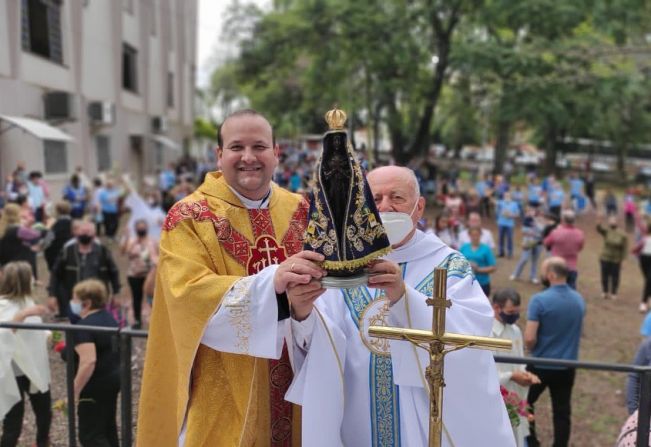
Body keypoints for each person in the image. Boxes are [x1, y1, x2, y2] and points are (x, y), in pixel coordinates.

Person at [286, 165, 515, 446]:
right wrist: (300, 311)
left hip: (421, 415)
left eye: (397, 198)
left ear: (419, 208)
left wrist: (404, 298)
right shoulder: (340, 265)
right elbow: (319, 337)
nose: (385, 207)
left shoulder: (448, 264)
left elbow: (470, 338)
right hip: (357, 413)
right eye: (376, 199)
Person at [137, 109, 324, 445]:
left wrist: (302, 310)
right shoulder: (189, 217)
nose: (248, 157)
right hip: (222, 389)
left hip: (297, 388)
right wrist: (275, 287)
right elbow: (188, 297)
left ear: (276, 154)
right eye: (237, 147)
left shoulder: (303, 211)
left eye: (260, 147)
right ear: (219, 155)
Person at [524, 257, 586, 447]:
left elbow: (529, 337)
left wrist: (531, 348)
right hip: (568, 366)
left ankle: (531, 441)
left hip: (540, 365)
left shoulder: (539, 300)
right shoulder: (579, 300)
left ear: (551, 274)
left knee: (524, 403)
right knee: (562, 411)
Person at [0, 261, 51, 447]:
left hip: (34, 368)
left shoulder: (29, 301)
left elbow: (30, 334)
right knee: (13, 422)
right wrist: (23, 315)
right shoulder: (3, 305)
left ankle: (42, 442)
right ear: (22, 281)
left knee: (45, 414)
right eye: (31, 277)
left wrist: (46, 334)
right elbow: (3, 335)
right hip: (12, 373)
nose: (34, 280)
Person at [70, 279, 120, 446]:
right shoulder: (108, 318)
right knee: (107, 427)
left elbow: (88, 361)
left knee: (90, 434)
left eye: (75, 299)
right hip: (112, 379)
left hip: (94, 385)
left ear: (87, 303)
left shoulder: (83, 326)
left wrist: (74, 391)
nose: (72, 303)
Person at [491, 288, 540, 447]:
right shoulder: (487, 333)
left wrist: (526, 376)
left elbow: (520, 362)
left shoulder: (515, 330)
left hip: (515, 396)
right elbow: (486, 371)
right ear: (496, 308)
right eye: (510, 311)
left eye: (517, 312)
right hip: (497, 398)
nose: (514, 316)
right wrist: (510, 376)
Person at [47, 221, 121, 320]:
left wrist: (116, 293)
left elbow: (113, 272)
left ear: (94, 234)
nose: (85, 235)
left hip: (97, 299)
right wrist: (52, 294)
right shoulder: (67, 251)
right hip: (74, 297)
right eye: (83, 232)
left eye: (88, 232)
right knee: (75, 324)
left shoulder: (103, 251)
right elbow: (55, 273)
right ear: (76, 233)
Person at [121, 219, 158, 328]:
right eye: (139, 227)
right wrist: (127, 237)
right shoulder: (132, 241)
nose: (141, 229)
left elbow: (158, 255)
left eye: (143, 227)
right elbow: (124, 252)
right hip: (134, 274)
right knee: (136, 297)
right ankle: (137, 320)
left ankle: (154, 319)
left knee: (152, 298)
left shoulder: (153, 241)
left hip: (150, 275)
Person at [543, 210, 584, 289]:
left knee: (552, 290)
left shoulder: (556, 232)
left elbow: (546, 243)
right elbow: (580, 247)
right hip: (572, 267)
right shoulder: (580, 234)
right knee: (571, 290)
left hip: (556, 267)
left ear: (562, 220)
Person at [0, 203, 42, 278]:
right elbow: (38, 236)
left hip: (5, 265)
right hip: (19, 266)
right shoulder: (19, 230)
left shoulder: (2, 228)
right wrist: (28, 225)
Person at [596, 214, 628, 300]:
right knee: (604, 275)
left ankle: (614, 292)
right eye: (610, 221)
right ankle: (605, 291)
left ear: (617, 222)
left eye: (614, 220)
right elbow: (599, 229)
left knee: (615, 276)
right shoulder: (607, 231)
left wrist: (623, 260)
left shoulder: (622, 235)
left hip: (616, 259)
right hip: (605, 257)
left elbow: (625, 249)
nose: (612, 222)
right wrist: (599, 222)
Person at [460, 226, 497, 297]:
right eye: (473, 235)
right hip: (466, 282)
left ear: (480, 235)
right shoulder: (464, 247)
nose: (475, 237)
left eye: (477, 235)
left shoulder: (486, 249)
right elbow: (457, 263)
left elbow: (493, 267)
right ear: (469, 235)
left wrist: (478, 269)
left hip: (482, 283)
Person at [510, 206, 543, 284]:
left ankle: (533, 277)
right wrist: (532, 233)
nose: (531, 213)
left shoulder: (540, 220)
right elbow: (523, 232)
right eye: (529, 211)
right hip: (528, 242)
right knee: (524, 258)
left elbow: (542, 230)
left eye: (532, 211)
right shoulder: (526, 220)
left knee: (535, 260)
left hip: (538, 242)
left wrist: (536, 222)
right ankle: (515, 274)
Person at [633, 222, 651, 313]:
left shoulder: (645, 239)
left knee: (649, 280)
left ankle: (643, 303)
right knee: (648, 280)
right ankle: (646, 301)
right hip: (645, 260)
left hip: (645, 259)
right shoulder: (645, 239)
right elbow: (636, 249)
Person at [496, 191, 520, 258]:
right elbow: (493, 202)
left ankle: (510, 253)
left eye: (508, 196)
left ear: (511, 197)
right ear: (504, 196)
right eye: (505, 196)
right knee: (501, 238)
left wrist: (511, 215)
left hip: (510, 224)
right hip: (501, 223)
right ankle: (501, 252)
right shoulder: (500, 202)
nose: (507, 197)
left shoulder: (514, 204)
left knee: (509, 238)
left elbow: (518, 214)